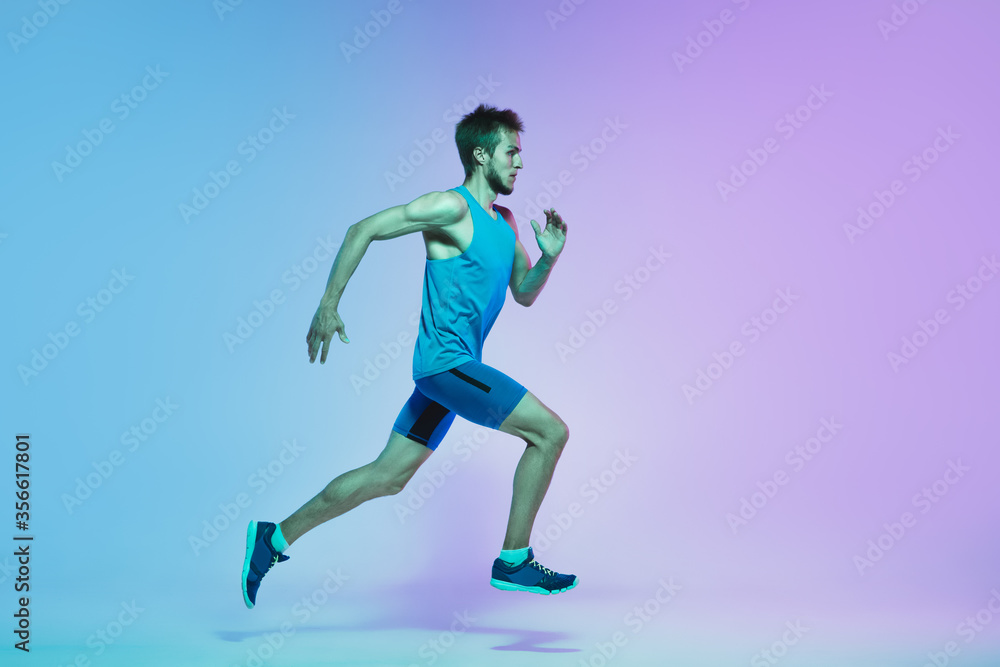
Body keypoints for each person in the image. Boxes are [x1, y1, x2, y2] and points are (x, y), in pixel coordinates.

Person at [242, 103, 575, 608]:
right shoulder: (450, 208)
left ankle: (274, 539)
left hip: (450, 374)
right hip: (448, 366)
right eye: (512, 152)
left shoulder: (505, 222)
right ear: (481, 154)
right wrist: (328, 305)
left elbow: (524, 292)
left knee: (388, 476)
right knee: (550, 432)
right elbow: (363, 229)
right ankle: (513, 561)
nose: (520, 164)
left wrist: (549, 256)